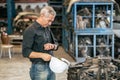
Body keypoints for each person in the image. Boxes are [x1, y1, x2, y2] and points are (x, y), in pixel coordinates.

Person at [22, 6, 59, 80]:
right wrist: (42, 55)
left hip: (51, 65)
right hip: (39, 68)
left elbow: (56, 44)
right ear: (42, 16)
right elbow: (25, 52)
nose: (50, 23)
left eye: (52, 21)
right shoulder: (30, 30)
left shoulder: (47, 28)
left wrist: (53, 46)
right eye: (49, 20)